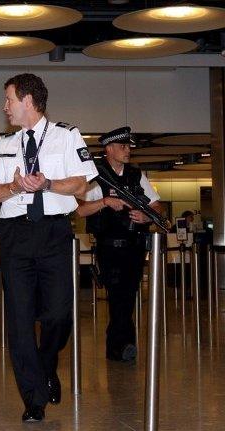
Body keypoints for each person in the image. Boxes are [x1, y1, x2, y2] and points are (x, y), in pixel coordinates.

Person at [0, 73, 97, 422]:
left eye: (8, 100)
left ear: (28, 100)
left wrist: (47, 183)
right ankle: (34, 399)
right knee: (19, 319)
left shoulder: (66, 136)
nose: (5, 107)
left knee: (58, 313)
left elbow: (81, 184)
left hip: (53, 232)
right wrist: (14, 188)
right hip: (15, 236)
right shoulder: (3, 144)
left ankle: (47, 363)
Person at [77, 126, 162, 362]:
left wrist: (147, 216)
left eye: (129, 147)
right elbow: (80, 210)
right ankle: (124, 345)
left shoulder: (136, 175)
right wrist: (105, 201)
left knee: (129, 294)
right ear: (109, 149)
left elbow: (157, 205)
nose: (128, 151)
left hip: (134, 245)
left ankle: (118, 346)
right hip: (109, 247)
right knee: (117, 295)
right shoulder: (96, 176)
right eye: (123, 147)